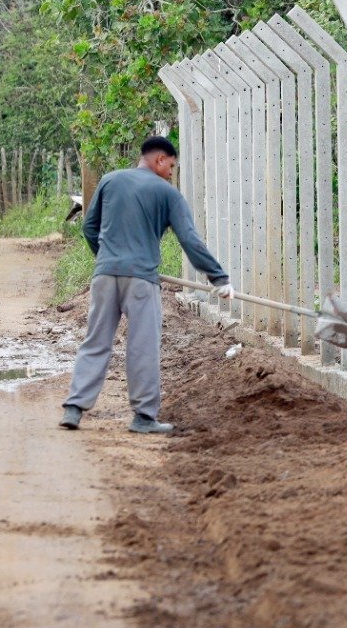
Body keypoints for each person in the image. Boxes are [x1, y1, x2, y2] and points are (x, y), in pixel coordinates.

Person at [60, 135, 232, 434]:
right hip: (141, 281)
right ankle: (143, 417)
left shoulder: (110, 180)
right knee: (143, 346)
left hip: (104, 276)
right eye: (171, 166)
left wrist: (107, 258)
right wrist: (218, 277)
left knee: (95, 341)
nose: (171, 173)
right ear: (159, 160)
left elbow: (89, 227)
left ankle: (74, 408)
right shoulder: (168, 193)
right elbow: (189, 239)